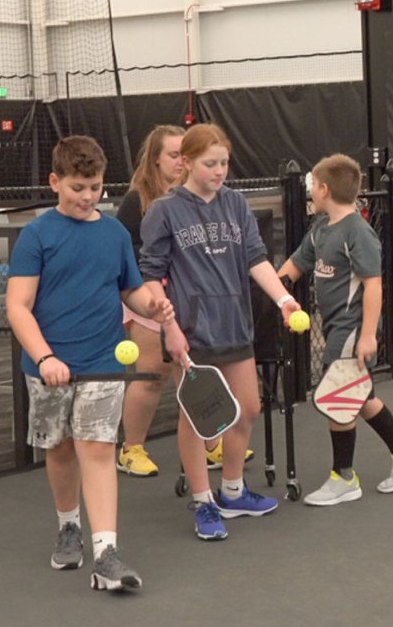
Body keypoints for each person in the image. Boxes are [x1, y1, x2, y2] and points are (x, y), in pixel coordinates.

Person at [5, 135, 174, 591]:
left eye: (95, 187)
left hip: (103, 362)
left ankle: (106, 553)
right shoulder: (37, 235)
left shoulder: (115, 233)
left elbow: (130, 290)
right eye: (77, 187)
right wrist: (45, 357)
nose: (87, 196)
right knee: (60, 450)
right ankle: (68, 526)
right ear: (55, 182)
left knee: (98, 450)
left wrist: (152, 306)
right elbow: (18, 306)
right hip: (49, 368)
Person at [138, 123, 303, 540]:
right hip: (191, 332)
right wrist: (169, 327)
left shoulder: (236, 204)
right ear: (187, 162)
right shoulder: (164, 210)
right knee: (199, 418)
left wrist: (284, 300)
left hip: (235, 325)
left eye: (224, 163)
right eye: (210, 164)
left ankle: (232, 491)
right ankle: (203, 501)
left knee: (248, 408)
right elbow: (152, 275)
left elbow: (256, 259)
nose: (219, 171)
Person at [277, 154, 393, 506]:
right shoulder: (321, 229)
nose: (311, 192)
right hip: (334, 328)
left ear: (324, 189)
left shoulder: (358, 231)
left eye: (313, 187)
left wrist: (367, 335)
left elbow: (373, 285)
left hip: (351, 330)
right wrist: (272, 292)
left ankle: (344, 477)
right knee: (361, 397)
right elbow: (294, 266)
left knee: (338, 397)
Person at [111, 125, 252, 479]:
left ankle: (211, 442)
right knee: (151, 372)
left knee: (199, 381)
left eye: (182, 153)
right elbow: (131, 253)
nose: (178, 160)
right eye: (173, 154)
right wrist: (151, 293)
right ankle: (132, 448)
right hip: (149, 296)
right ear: (157, 159)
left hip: (189, 299)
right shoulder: (140, 201)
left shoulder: (214, 199)